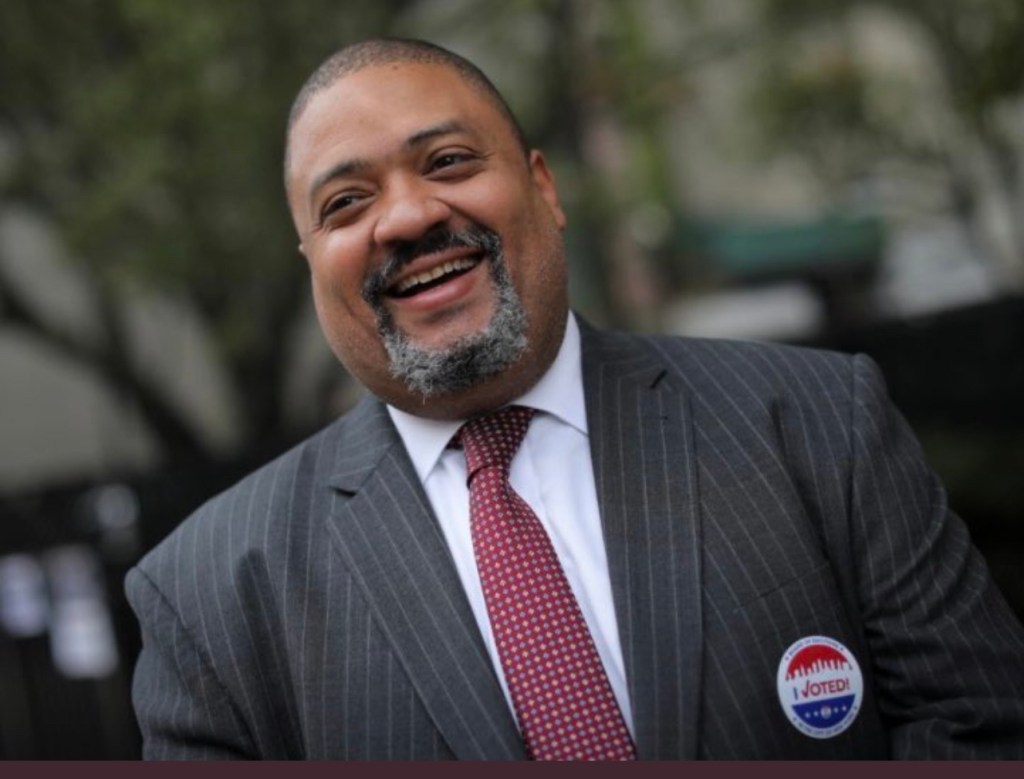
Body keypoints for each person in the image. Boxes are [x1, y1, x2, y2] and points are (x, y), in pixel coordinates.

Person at [125, 38, 1024, 760]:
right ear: (312, 263)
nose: (405, 217)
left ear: (544, 187)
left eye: (447, 160)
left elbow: (981, 725)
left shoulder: (820, 421)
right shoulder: (206, 596)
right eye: (346, 202)